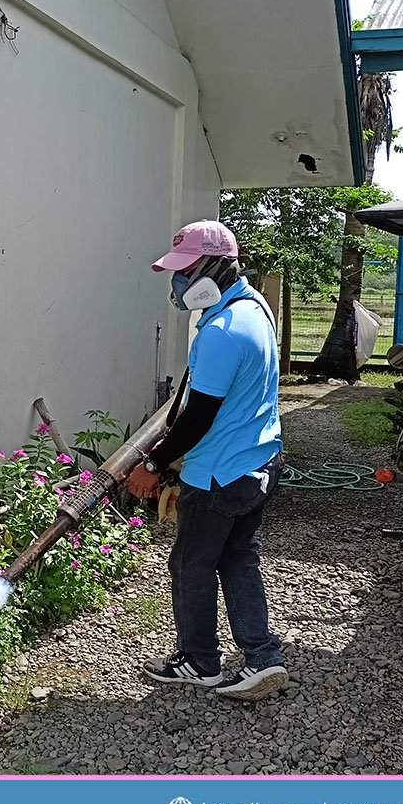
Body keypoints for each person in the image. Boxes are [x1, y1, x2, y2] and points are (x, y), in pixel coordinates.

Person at [127, 219, 288, 701]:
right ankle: (261, 658)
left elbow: (196, 418)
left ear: (215, 268)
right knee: (237, 557)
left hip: (219, 473)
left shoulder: (221, 332)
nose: (178, 283)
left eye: (186, 270)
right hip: (259, 461)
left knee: (191, 565)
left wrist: (153, 465)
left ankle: (200, 662)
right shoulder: (252, 307)